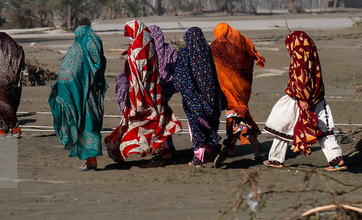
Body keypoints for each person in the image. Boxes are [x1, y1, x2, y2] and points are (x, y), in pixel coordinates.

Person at [263, 31, 347, 171]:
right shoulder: (311, 53)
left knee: (283, 126)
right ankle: (336, 159)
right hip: (317, 96)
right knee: (323, 129)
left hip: (299, 98)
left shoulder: (299, 55)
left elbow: (301, 76)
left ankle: (276, 159)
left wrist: (302, 98)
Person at [105, 20, 182, 163]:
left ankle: (151, 149)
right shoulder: (152, 47)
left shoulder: (140, 49)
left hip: (142, 93)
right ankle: (166, 149)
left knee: (145, 121)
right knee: (158, 119)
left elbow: (138, 71)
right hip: (157, 91)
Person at [49, 25, 108, 171]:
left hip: (81, 96)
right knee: (91, 126)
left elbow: (67, 75)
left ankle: (90, 161)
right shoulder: (96, 51)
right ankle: (91, 161)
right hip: (94, 97)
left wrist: (62, 90)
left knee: (84, 125)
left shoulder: (76, 51)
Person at [210, 23, 265, 166]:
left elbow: (212, 64)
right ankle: (232, 147)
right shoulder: (243, 42)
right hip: (244, 86)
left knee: (235, 113)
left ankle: (249, 143)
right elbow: (253, 54)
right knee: (235, 113)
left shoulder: (217, 45)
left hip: (229, 86)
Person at [174, 27, 224, 167]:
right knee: (208, 124)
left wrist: (185, 91)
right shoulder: (207, 52)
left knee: (196, 126)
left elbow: (180, 77)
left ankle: (198, 159)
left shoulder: (185, 53)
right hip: (211, 97)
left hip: (194, 98)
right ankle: (212, 149)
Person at [0, 32, 25, 138]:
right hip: (13, 84)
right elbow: (21, 64)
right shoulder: (17, 49)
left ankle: (12, 130)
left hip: (0, 84)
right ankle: (6, 130)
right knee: (8, 107)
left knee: (2, 107)